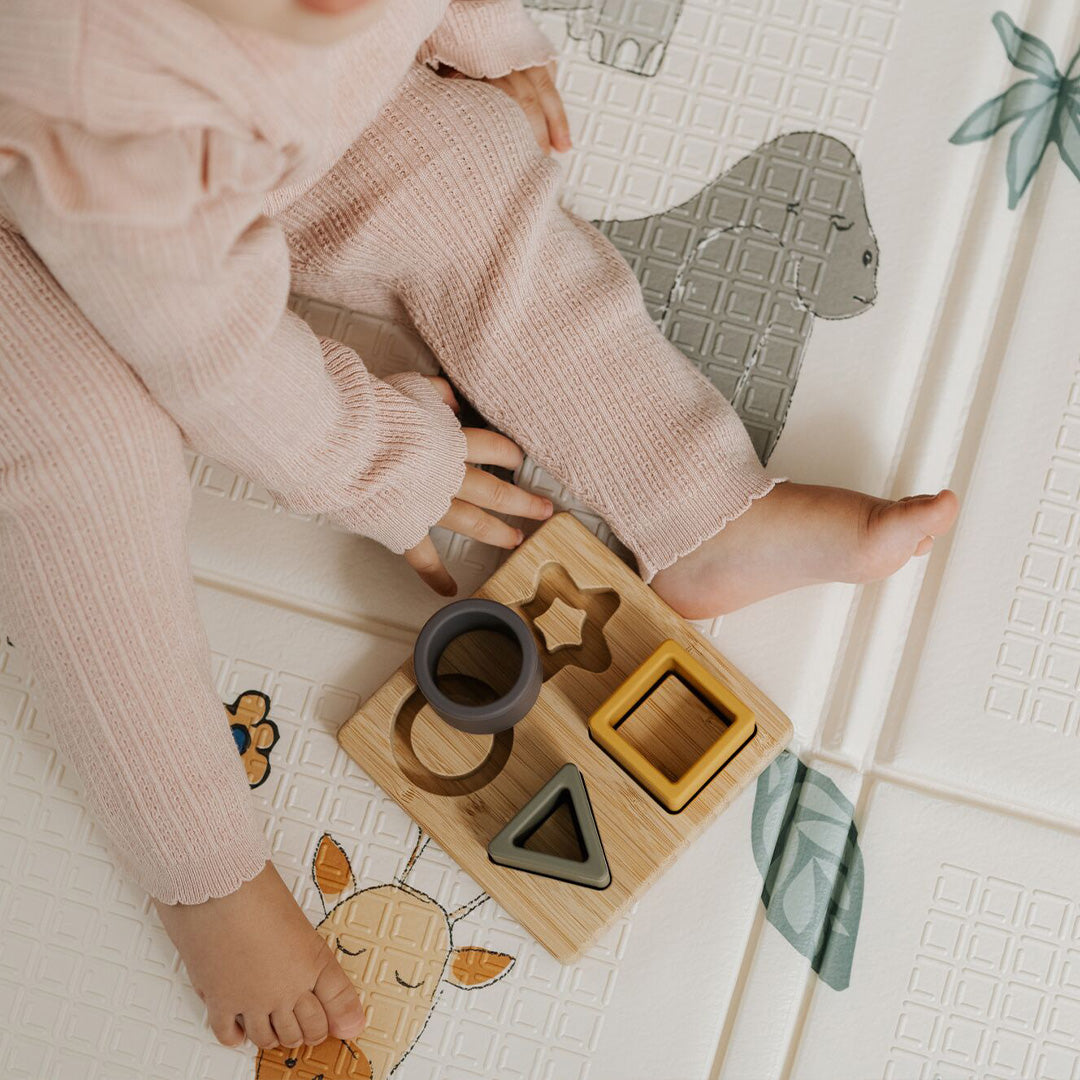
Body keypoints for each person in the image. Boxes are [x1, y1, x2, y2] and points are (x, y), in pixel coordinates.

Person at [0, 0, 958, 1055]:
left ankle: (699, 509)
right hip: (82, 172)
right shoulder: (101, 67)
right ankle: (203, 875)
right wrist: (386, 463)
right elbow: (218, 363)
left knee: (460, 167)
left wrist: (480, 36)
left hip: (226, 134)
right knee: (81, 455)